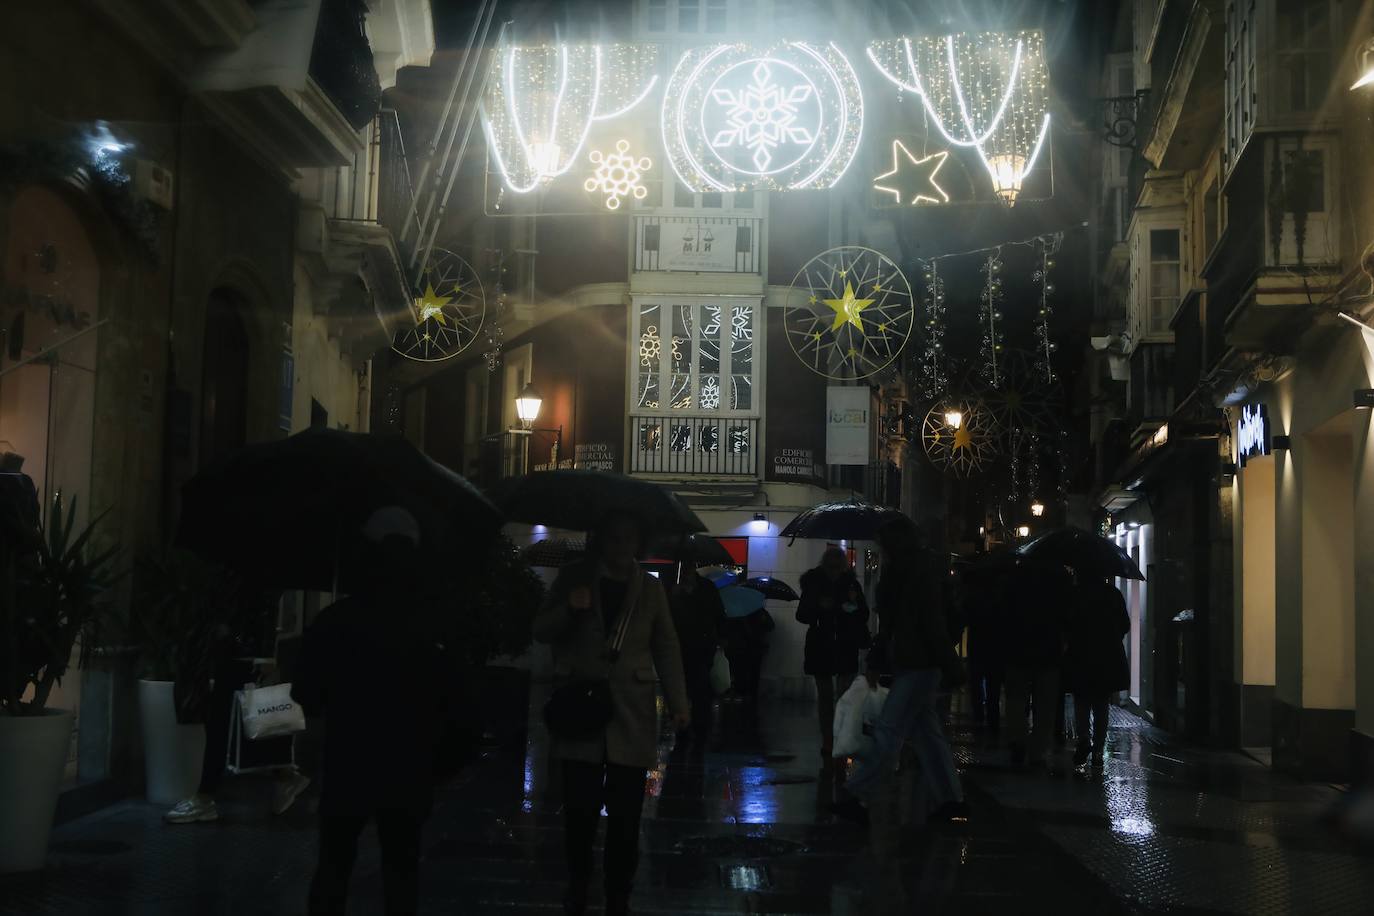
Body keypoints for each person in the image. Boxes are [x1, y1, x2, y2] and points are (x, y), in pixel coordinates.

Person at [292, 507, 475, 916]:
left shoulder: (336, 620)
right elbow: (455, 697)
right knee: (402, 870)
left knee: (334, 864)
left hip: (348, 760)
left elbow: (306, 691)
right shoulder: (432, 624)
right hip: (408, 766)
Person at [534, 512, 690, 916]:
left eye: (630, 540)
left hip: (631, 712)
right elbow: (541, 629)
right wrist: (570, 608)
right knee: (580, 814)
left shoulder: (650, 589)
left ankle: (619, 893)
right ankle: (579, 884)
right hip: (581, 708)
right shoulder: (574, 578)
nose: (623, 548)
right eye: (616, 539)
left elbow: (666, 646)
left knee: (626, 817)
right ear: (603, 540)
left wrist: (679, 702)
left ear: (639, 543)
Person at [836, 516, 966, 825]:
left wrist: (950, 665)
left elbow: (921, 623)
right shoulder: (914, 570)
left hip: (918, 662)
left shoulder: (913, 574)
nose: (880, 548)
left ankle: (857, 793)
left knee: (889, 730)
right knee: (926, 734)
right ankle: (950, 800)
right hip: (918, 661)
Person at [164, 588, 308, 824]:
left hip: (238, 658)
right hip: (230, 656)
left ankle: (205, 796)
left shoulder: (249, 580)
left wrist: (258, 653)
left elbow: (258, 613)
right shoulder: (241, 578)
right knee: (238, 722)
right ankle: (284, 775)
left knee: (222, 724)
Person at [796, 548, 870, 756]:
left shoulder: (850, 584)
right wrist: (820, 608)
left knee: (842, 695)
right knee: (827, 696)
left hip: (843, 643)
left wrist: (851, 607)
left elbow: (863, 613)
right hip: (823, 643)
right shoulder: (815, 583)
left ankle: (838, 736)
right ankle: (829, 738)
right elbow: (802, 614)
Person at [1003, 562, 1071, 769]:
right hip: (1048, 651)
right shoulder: (1058, 583)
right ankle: (1037, 752)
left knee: (1015, 700)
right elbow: (1065, 618)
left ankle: (1017, 740)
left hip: (1018, 649)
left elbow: (1004, 613)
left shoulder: (1015, 580)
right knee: (1045, 705)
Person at [1063, 574, 1130, 770]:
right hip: (1106, 656)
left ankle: (1083, 737)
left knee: (1081, 700)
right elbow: (1125, 624)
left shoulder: (1075, 595)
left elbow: (1066, 623)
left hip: (1080, 655)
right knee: (1101, 703)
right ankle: (1099, 748)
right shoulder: (1113, 594)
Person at [667, 560, 725, 753]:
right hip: (680, 647)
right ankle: (684, 728)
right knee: (684, 690)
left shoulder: (704, 589)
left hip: (700, 647)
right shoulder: (674, 587)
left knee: (698, 691)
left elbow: (716, 614)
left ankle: (698, 730)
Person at [721, 601, 774, 701]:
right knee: (750, 673)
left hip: (744, 648)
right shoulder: (758, 611)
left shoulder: (734, 612)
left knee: (741, 673)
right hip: (750, 648)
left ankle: (742, 694)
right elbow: (770, 626)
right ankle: (748, 694)